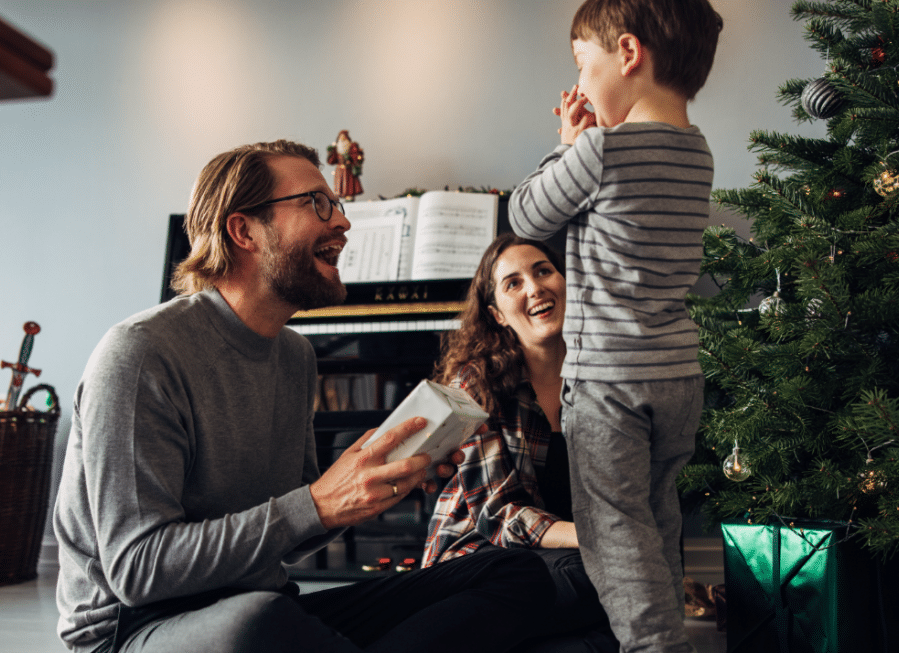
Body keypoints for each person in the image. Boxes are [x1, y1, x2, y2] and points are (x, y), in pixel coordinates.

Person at [52, 139, 556, 653]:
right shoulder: (139, 355)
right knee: (258, 623)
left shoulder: (294, 354)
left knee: (511, 572)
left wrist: (376, 484)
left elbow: (298, 524)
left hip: (268, 604)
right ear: (243, 229)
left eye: (335, 204)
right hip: (138, 629)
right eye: (318, 203)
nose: (342, 222)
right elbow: (139, 569)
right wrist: (318, 504)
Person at [506, 1, 722, 652]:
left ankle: (652, 646)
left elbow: (526, 214)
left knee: (611, 528)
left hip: (610, 383)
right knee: (656, 515)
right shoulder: (697, 150)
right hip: (677, 377)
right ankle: (665, 630)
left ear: (628, 55)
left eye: (583, 63)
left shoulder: (601, 149)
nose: (581, 79)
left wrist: (567, 145)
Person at [423, 234, 618, 653]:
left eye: (543, 271)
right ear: (497, 314)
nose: (534, 288)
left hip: (559, 557)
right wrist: (598, 537)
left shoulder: (602, 377)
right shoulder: (475, 382)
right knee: (603, 581)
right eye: (513, 283)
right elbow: (498, 515)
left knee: (613, 618)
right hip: (479, 561)